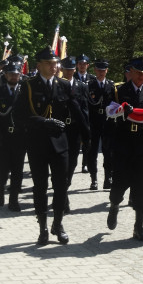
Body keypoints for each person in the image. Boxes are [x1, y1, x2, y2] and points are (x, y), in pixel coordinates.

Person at [14, 46, 90, 246]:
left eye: (55, 63)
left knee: (61, 185)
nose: (54, 66)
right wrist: (43, 122)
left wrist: (87, 135)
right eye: (49, 63)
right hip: (37, 143)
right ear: (39, 66)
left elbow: (76, 109)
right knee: (40, 186)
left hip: (60, 143)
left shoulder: (64, 85)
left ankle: (58, 223)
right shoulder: (28, 86)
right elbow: (19, 115)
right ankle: (43, 227)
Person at [105, 56, 143, 242]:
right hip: (123, 142)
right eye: (138, 73)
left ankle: (138, 226)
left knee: (142, 184)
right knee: (119, 182)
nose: (141, 77)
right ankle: (115, 204)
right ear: (130, 72)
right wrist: (122, 110)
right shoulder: (118, 90)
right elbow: (108, 111)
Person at [0, 60, 26, 211]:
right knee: (2, 169)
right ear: (5, 75)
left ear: (19, 75)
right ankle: (0, 189)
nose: (13, 77)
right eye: (10, 74)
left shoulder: (24, 92)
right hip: (2, 138)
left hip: (19, 137)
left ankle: (14, 199)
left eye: (16, 74)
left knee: (18, 169)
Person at [60, 56, 90, 195]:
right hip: (60, 128)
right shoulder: (57, 84)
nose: (69, 72)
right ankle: (61, 188)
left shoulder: (81, 86)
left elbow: (84, 110)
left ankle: (66, 184)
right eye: (67, 69)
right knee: (60, 160)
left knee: (73, 160)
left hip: (75, 128)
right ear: (62, 70)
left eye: (72, 69)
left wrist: (86, 132)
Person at [86, 59, 116, 190]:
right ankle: (94, 179)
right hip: (94, 121)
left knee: (108, 151)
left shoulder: (111, 85)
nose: (101, 73)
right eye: (99, 70)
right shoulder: (89, 85)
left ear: (107, 71)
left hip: (107, 121)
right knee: (92, 151)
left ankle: (108, 177)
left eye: (103, 70)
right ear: (95, 71)